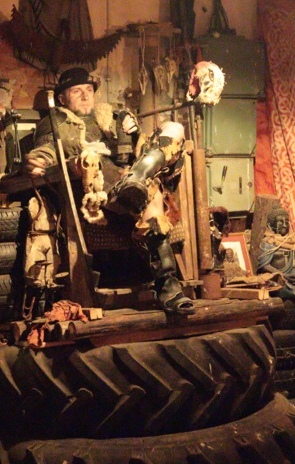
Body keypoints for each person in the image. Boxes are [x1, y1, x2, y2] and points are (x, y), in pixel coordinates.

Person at [24, 66, 195, 315]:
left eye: (89, 90)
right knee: (153, 196)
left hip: (131, 173)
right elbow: (47, 150)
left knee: (175, 128)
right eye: (77, 91)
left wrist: (133, 130)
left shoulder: (110, 117)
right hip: (103, 188)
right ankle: (168, 285)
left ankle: (137, 179)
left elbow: (138, 146)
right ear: (62, 98)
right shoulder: (56, 123)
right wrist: (39, 159)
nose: (86, 96)